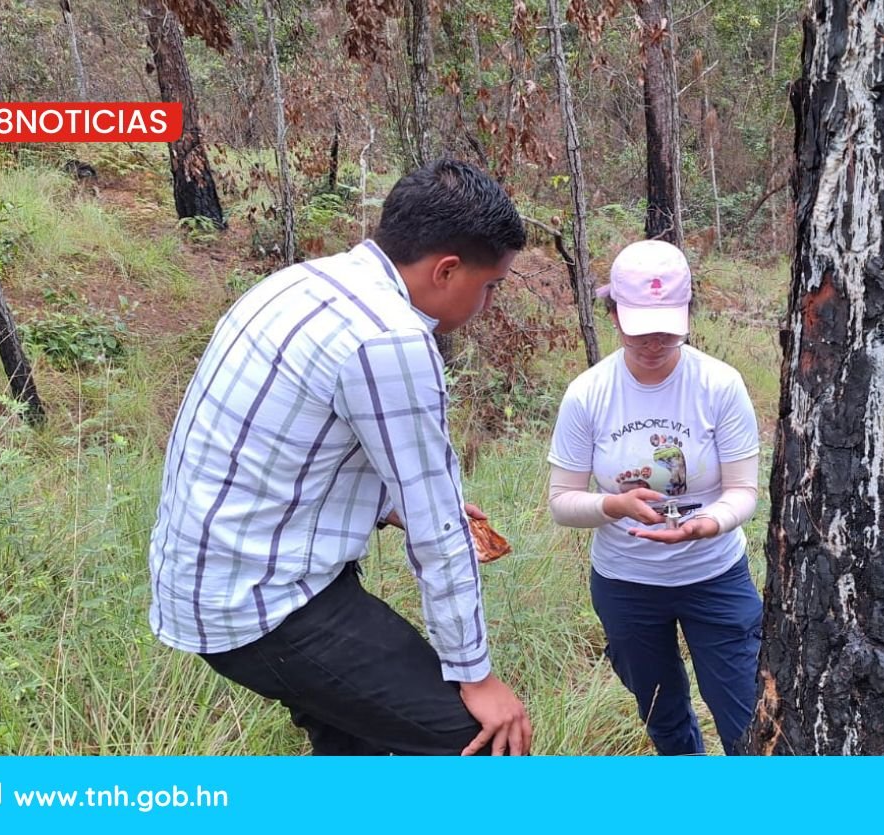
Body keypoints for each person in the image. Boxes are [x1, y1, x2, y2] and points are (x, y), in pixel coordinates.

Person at [148, 160, 532, 756]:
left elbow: (286, 445)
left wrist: (384, 507)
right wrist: (475, 675)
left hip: (206, 577)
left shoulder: (304, 283)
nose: (486, 304)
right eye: (490, 287)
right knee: (479, 742)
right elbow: (437, 530)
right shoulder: (391, 339)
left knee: (355, 742)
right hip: (264, 601)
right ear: (447, 270)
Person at [546, 239, 763, 755]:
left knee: (745, 716)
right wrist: (613, 506)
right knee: (663, 716)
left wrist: (708, 524)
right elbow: (562, 501)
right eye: (639, 327)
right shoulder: (588, 394)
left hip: (714, 575)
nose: (653, 341)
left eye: (667, 327)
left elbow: (743, 491)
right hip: (627, 584)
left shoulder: (719, 385)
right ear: (614, 315)